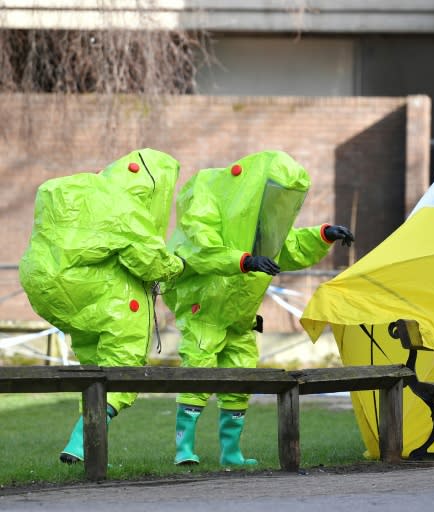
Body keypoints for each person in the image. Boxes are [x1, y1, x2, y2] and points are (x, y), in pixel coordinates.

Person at [162, 150, 354, 466]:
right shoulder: (210, 196)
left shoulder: (262, 225)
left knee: (241, 378)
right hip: (206, 311)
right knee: (198, 373)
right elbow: (200, 249)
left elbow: (287, 248)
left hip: (241, 318)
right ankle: (184, 448)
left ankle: (231, 453)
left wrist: (323, 235)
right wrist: (244, 261)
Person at [18, 148, 186, 464]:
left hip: (46, 285)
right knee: (124, 360)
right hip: (94, 289)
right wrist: (178, 264)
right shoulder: (123, 206)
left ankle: (87, 442)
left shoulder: (72, 190)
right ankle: (83, 441)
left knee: (95, 361)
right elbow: (150, 262)